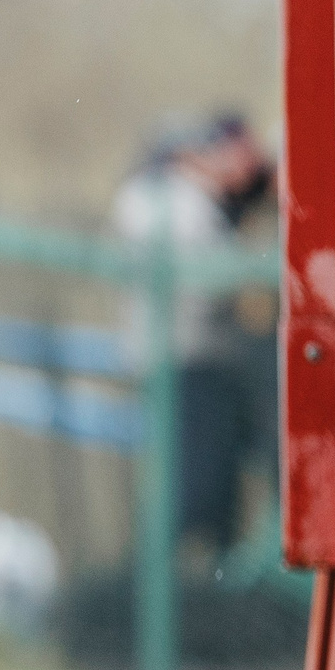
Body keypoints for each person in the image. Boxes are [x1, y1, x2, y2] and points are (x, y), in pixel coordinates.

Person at [109, 111, 278, 554]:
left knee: (209, 483)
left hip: (190, 361)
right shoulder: (170, 201)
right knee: (195, 486)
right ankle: (168, 571)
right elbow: (216, 280)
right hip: (187, 362)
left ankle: (198, 568)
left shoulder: (176, 200)